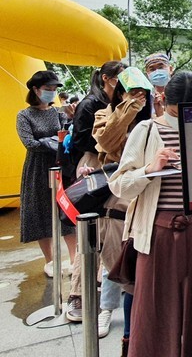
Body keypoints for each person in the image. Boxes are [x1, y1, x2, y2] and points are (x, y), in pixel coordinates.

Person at [109, 71, 192, 357]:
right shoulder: (147, 130)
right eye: (181, 111)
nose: (187, 116)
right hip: (158, 234)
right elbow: (120, 185)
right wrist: (150, 170)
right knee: (155, 312)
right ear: (165, 100)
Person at [92, 66, 152, 345]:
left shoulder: (155, 117)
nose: (139, 97)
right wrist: (128, 108)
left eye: (143, 93)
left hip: (150, 197)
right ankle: (110, 313)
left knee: (143, 266)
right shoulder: (105, 114)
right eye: (131, 92)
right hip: (118, 200)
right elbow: (105, 140)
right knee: (116, 261)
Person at [66, 60, 126, 324]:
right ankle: (79, 294)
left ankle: (107, 290)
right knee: (92, 233)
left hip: (121, 168)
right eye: (120, 78)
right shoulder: (93, 104)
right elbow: (84, 140)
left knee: (114, 231)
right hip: (96, 167)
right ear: (106, 78)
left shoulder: (128, 102)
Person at [17, 70, 77, 277]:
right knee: (40, 212)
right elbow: (29, 143)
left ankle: (74, 258)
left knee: (66, 210)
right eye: (48, 89)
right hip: (37, 169)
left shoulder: (59, 112)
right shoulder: (24, 115)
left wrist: (67, 123)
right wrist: (54, 140)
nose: (51, 93)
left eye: (54, 89)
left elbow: (67, 136)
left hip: (61, 166)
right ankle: (50, 261)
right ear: (35, 89)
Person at [144, 52, 174, 117]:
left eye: (161, 67)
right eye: (152, 69)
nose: (157, 71)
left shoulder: (181, 94)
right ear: (147, 74)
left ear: (171, 69)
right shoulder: (144, 98)